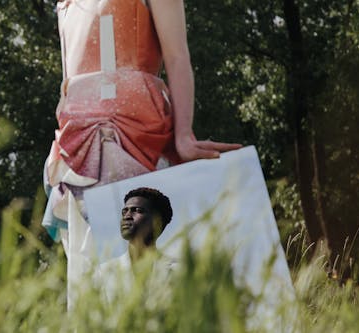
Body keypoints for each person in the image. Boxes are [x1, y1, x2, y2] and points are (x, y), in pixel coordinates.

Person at [42, 0, 241, 306]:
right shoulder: (65, 3)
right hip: (74, 152)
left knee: (138, 273)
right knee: (90, 276)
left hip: (132, 140)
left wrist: (184, 134)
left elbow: (177, 57)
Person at [96, 187, 176, 301]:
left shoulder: (179, 270)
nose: (127, 216)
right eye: (124, 211)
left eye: (137, 210)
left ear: (157, 222)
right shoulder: (103, 273)